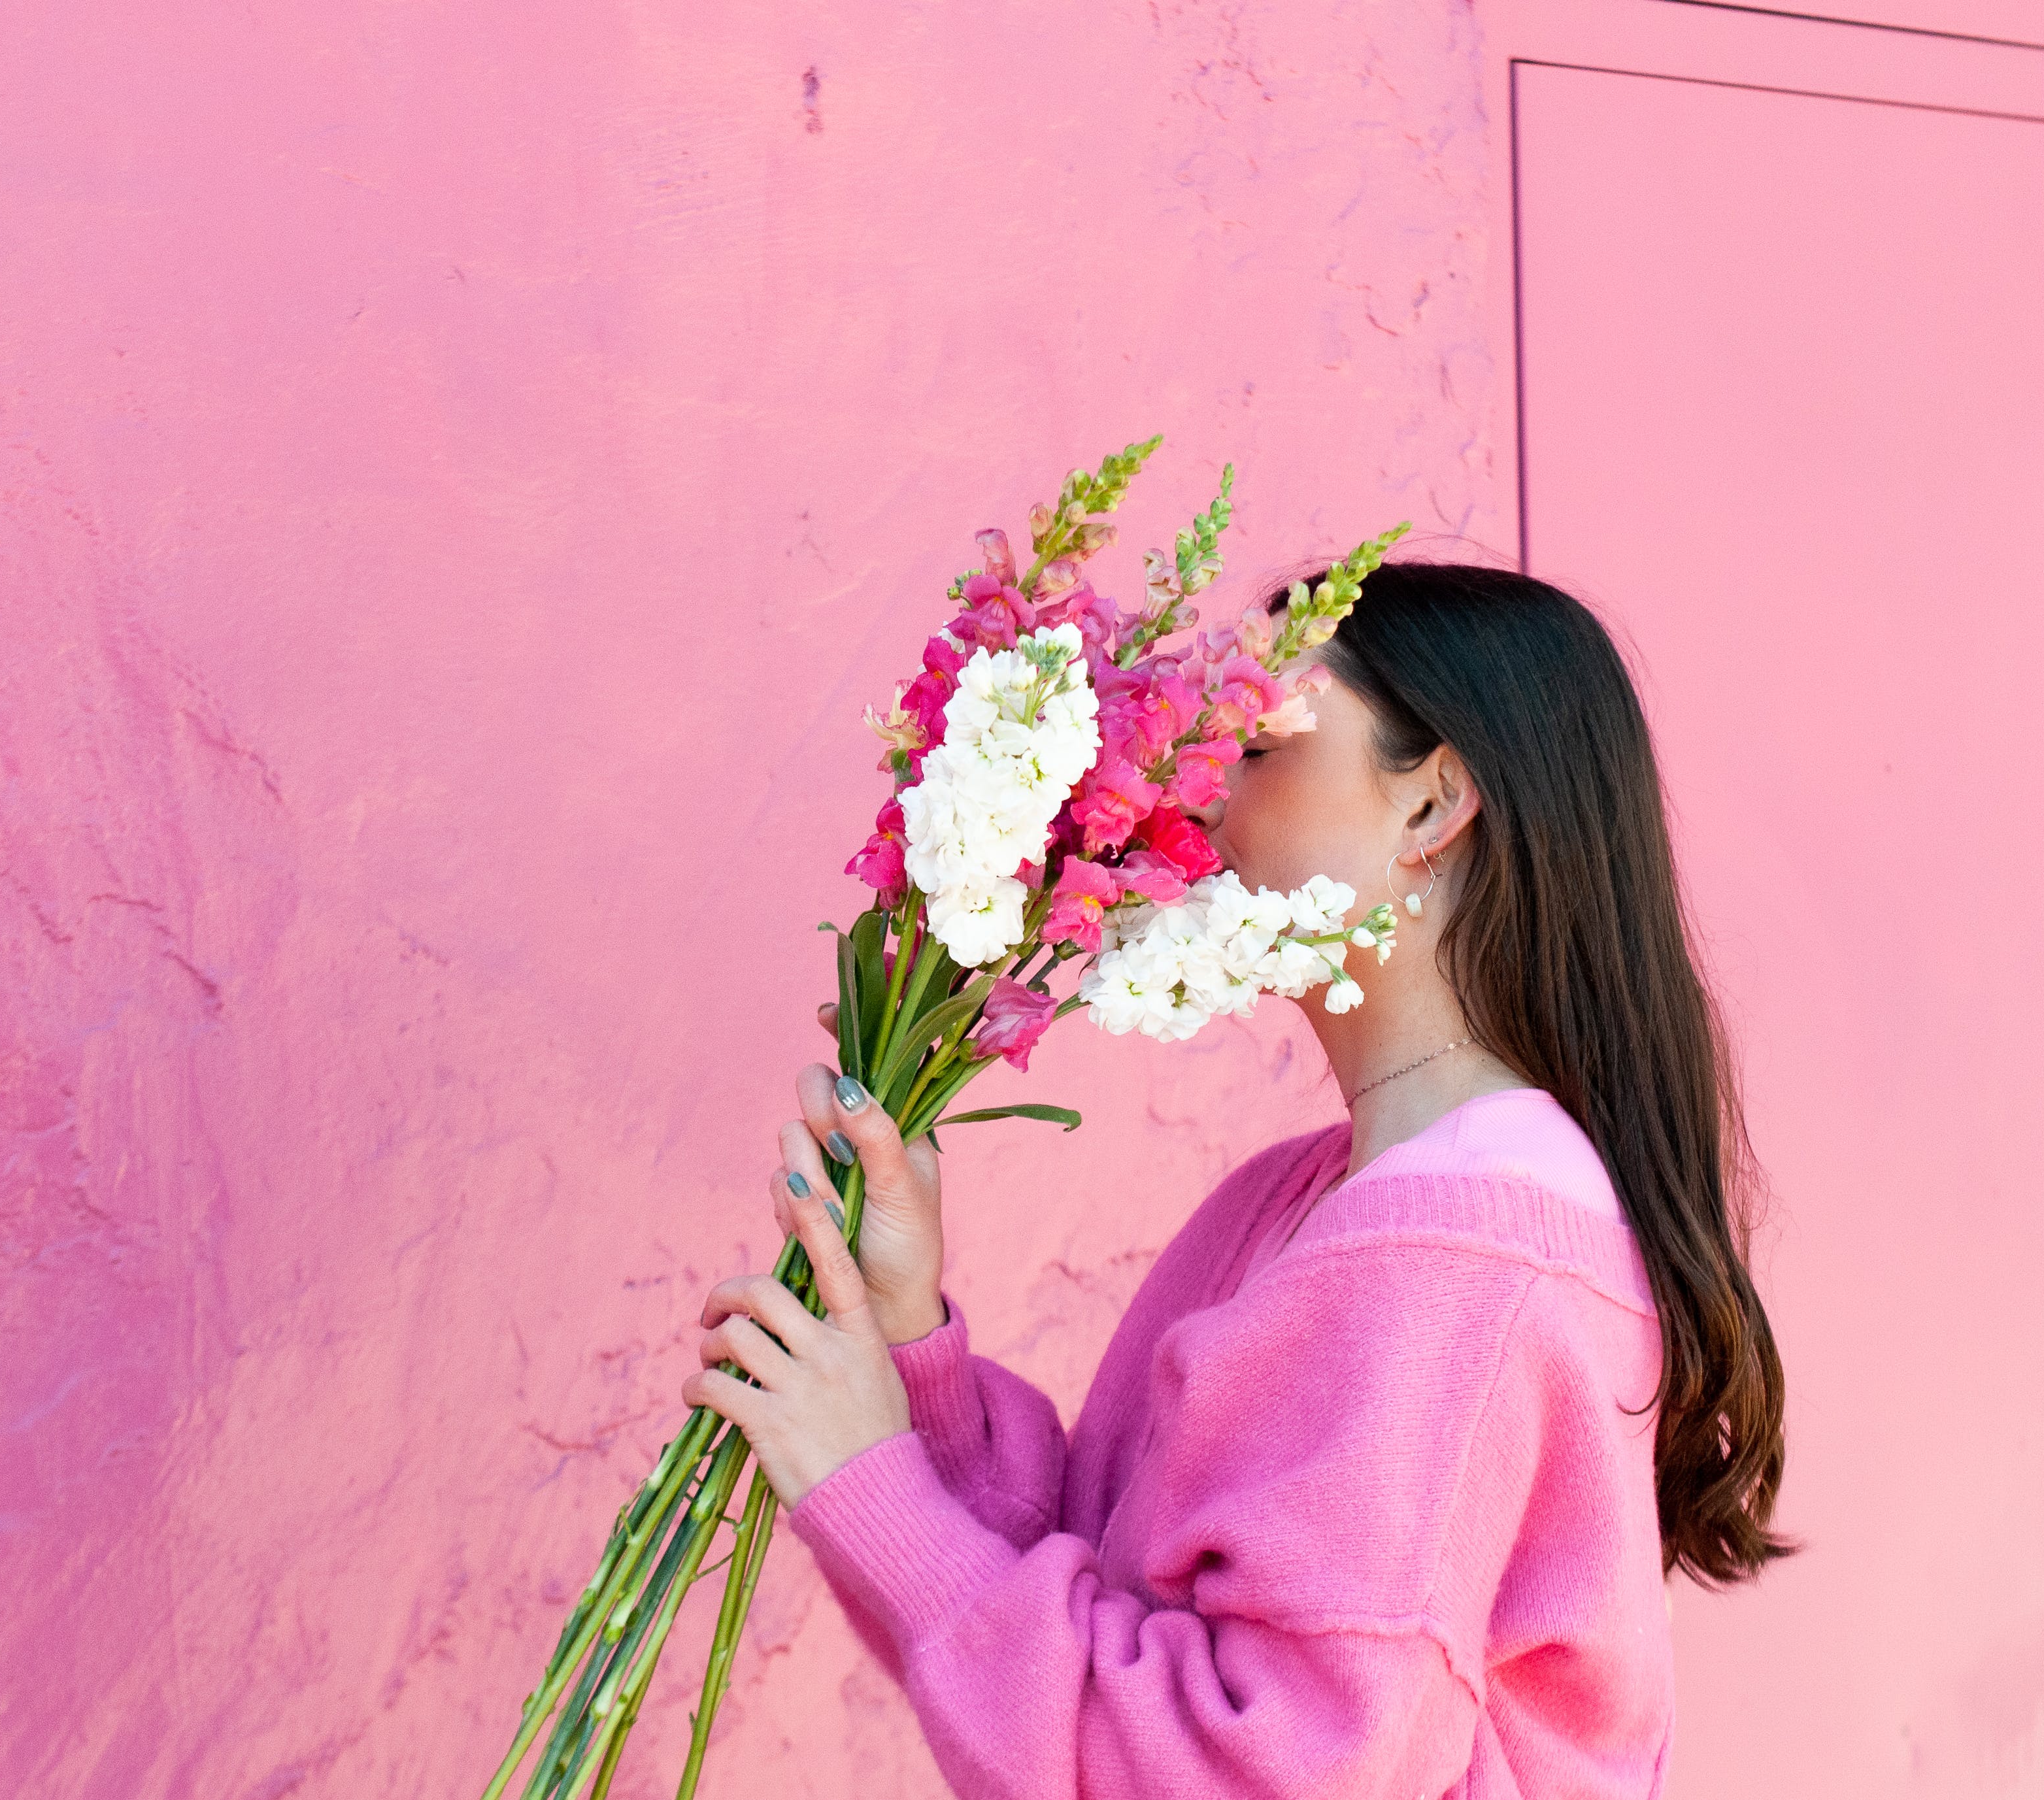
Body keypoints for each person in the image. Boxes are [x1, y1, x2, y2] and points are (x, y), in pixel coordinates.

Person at [679, 561, 1791, 1797]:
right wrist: (907, 1345)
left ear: (1430, 808)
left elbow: (1267, 1769)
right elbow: (1104, 1595)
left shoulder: (1455, 1264)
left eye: (1257, 743)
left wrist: (871, 1475)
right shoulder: (1322, 1201)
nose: (1196, 790)